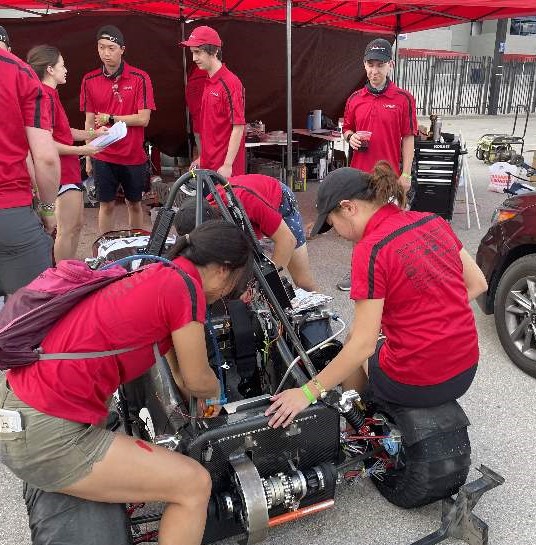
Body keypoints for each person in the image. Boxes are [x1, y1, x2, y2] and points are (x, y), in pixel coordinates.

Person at [0, 220, 253, 545]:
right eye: (232, 283)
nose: (227, 293)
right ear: (223, 269)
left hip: (19, 408)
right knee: (194, 485)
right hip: (45, 435)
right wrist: (217, 393)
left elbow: (180, 374)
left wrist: (197, 389)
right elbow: (197, 379)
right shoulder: (186, 289)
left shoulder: (157, 272)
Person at [265, 164, 488, 429]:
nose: (335, 231)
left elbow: (363, 345)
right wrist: (430, 312)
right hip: (466, 369)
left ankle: (355, 429)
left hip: (416, 381)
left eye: (332, 222)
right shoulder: (432, 220)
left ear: (348, 207)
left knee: (352, 341)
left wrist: (306, 393)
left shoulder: (370, 250)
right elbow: (478, 283)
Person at [337, 38, 417, 291]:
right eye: (370, 65)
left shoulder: (404, 99)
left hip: (389, 176)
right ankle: (357, 272)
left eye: (380, 65)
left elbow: (408, 138)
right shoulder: (354, 99)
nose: (375, 71)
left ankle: (390, 275)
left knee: (389, 226)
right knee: (357, 225)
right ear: (364, 65)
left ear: (390, 66)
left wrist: (405, 173)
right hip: (360, 175)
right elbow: (346, 128)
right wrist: (351, 137)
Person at [27, 45, 107, 262]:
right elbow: (48, 143)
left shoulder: (51, 95)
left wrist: (93, 132)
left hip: (69, 169)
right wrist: (84, 149)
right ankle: (62, 277)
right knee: (66, 230)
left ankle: (68, 271)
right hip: (60, 172)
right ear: (50, 69)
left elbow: (64, 132)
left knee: (76, 225)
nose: (66, 69)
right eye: (62, 65)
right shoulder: (44, 96)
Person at [176, 173, 317, 291]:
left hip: (280, 200)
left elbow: (288, 240)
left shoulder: (245, 200)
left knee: (302, 280)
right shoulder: (201, 212)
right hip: (244, 209)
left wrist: (265, 284)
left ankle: (323, 320)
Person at [0, 28, 60, 298]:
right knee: (29, 316)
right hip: (10, 210)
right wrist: (48, 209)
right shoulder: (19, 72)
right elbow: (45, 157)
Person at [80, 25, 156, 234]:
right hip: (103, 155)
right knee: (106, 205)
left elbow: (144, 119)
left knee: (134, 204)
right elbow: (88, 121)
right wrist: (88, 155)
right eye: (101, 47)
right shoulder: (89, 79)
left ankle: (138, 246)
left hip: (133, 155)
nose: (106, 53)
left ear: (122, 49)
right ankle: (105, 248)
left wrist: (111, 118)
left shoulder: (140, 78)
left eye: (111, 48)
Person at [181, 26, 246, 178]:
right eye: (192, 53)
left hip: (225, 170)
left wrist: (228, 164)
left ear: (214, 51)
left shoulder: (230, 82)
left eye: (198, 52)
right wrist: (202, 158)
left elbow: (238, 126)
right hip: (209, 166)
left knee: (227, 202)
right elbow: (210, 128)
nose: (194, 58)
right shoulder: (208, 82)